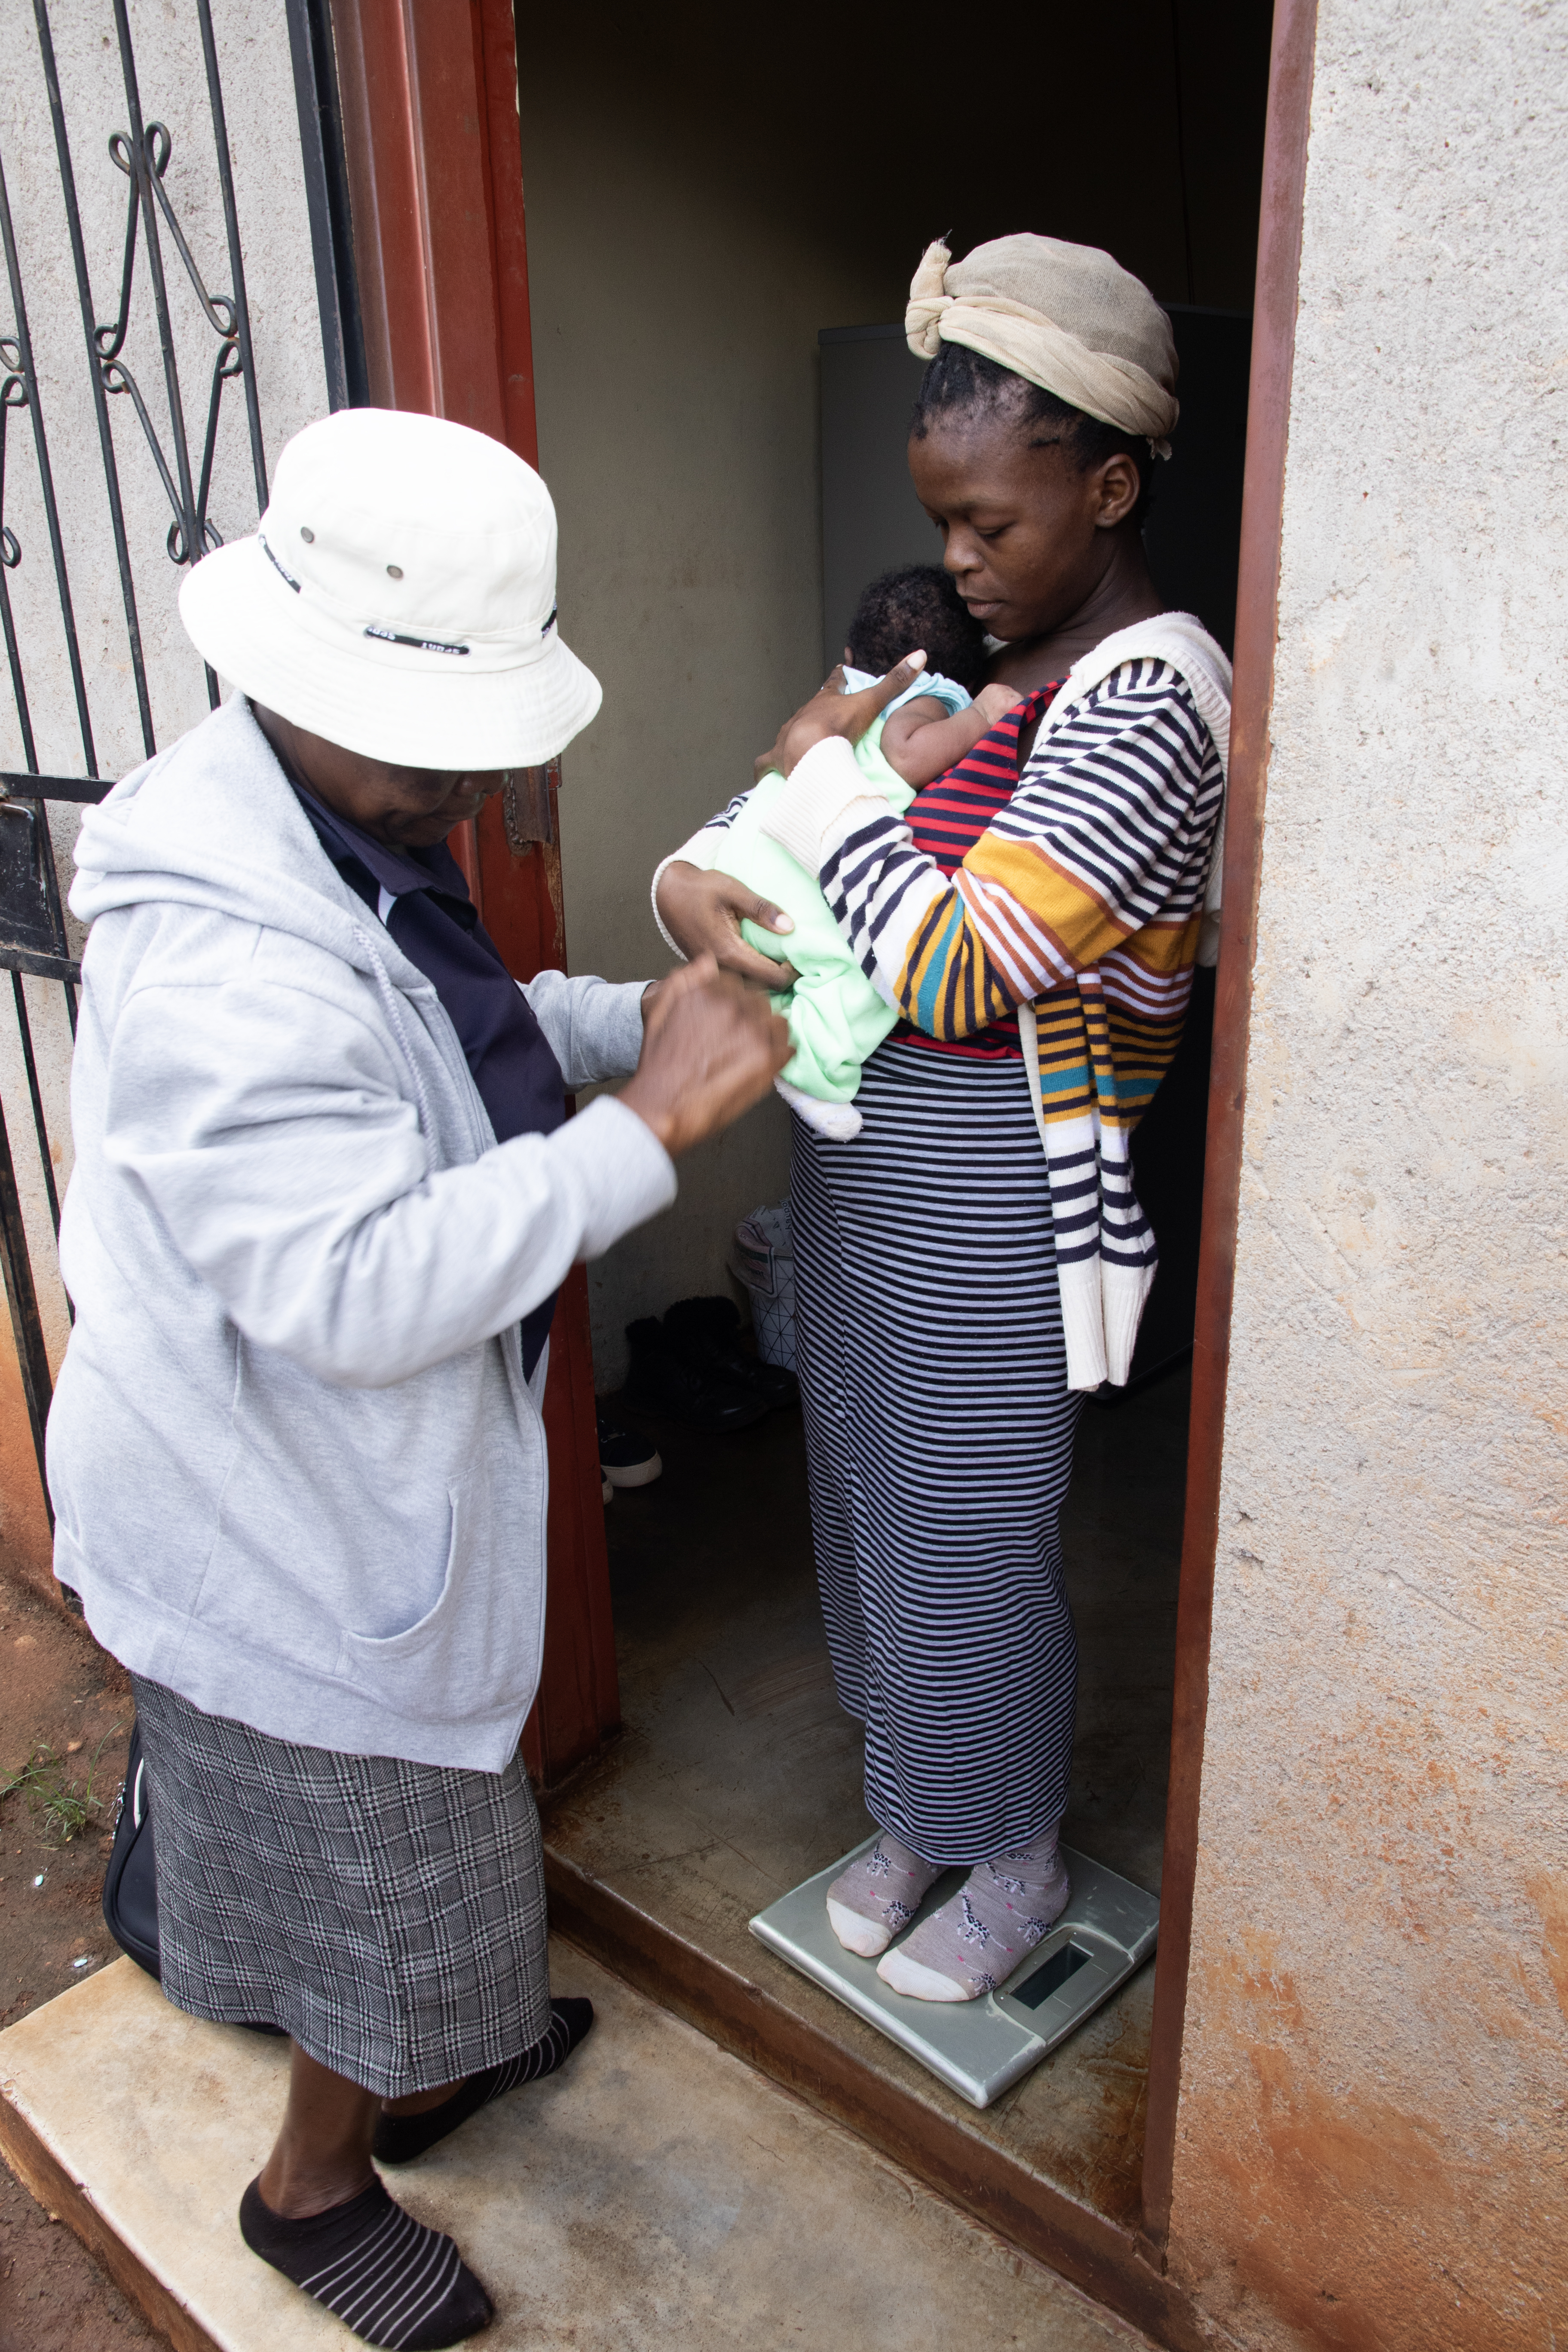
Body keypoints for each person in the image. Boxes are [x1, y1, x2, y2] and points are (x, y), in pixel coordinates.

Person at [48, 407, 790, 2348]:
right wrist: (651, 1124)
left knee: (417, 1867)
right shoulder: (230, 960)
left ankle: (432, 2056)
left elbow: (446, 1036)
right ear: (299, 681)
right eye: (432, 748)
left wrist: (627, 1021)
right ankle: (311, 2185)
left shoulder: (334, 824)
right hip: (269, 1523)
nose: (468, 788)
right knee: (393, 1882)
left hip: (337, 1490)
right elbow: (360, 1287)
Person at [654, 234, 1231, 2005]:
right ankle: (919, 1805)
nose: (960, 562)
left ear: (1109, 487)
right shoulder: (978, 674)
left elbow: (969, 970)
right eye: (943, 525)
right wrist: (695, 878)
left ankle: (1017, 1848)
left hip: (991, 1174)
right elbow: (769, 827)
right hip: (856, 1149)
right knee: (863, 1492)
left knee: (970, 1528)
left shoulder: (1154, 700)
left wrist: (823, 790)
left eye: (991, 523)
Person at [663, 564, 1020, 1140]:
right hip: (799, 879)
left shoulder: (836, 693)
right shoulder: (932, 694)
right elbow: (907, 754)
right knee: (866, 973)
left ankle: (765, 1023)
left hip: (742, 861)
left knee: (784, 972)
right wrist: (978, 717)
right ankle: (809, 1065)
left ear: (852, 655)